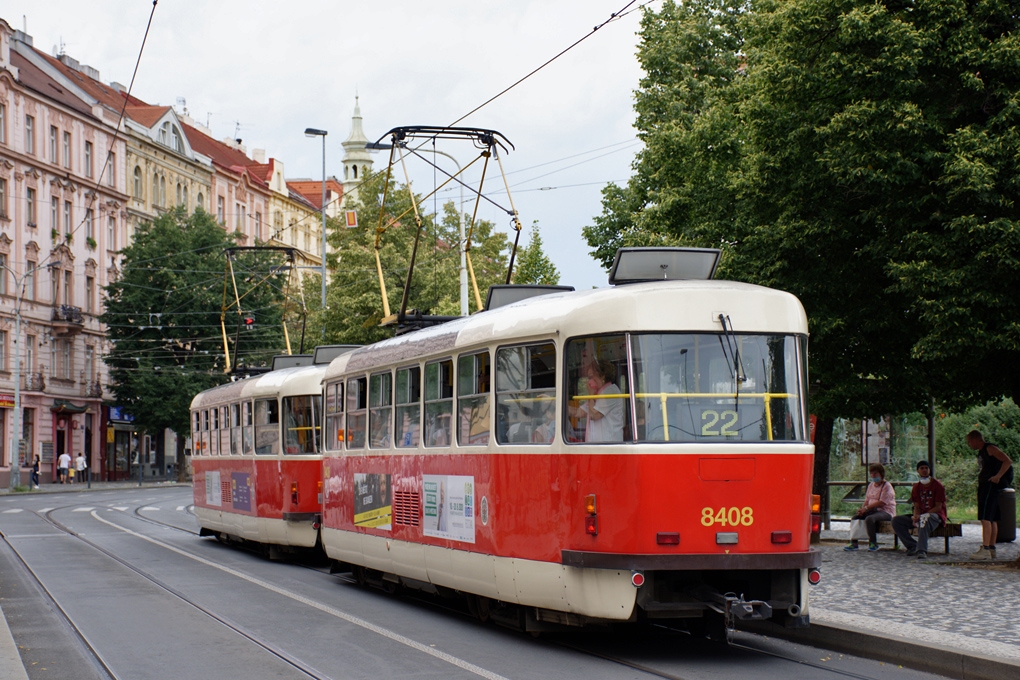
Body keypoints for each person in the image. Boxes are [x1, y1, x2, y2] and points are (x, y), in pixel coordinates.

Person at [966, 430, 1014, 560]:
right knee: (992, 518)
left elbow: (1007, 461)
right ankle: (991, 548)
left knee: (985, 517)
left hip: (990, 486)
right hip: (987, 485)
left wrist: (997, 476)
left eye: (969, 441)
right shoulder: (982, 452)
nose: (969, 444)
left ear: (976, 439)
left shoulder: (990, 448)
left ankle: (985, 548)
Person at [891, 461, 947, 559]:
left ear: (929, 470)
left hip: (935, 516)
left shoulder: (938, 486)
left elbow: (938, 507)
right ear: (918, 471)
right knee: (896, 521)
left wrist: (923, 515)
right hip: (921, 514)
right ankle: (912, 545)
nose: (924, 470)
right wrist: (916, 515)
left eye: (926, 468)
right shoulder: (916, 487)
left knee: (924, 519)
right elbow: (916, 505)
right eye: (922, 468)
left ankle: (922, 550)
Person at [844, 463, 897, 552]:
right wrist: (862, 509)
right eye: (872, 474)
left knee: (870, 519)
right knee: (855, 518)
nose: (873, 476)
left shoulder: (887, 486)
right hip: (872, 510)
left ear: (881, 474)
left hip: (885, 511)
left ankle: (873, 542)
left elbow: (882, 502)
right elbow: (867, 499)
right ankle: (854, 542)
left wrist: (867, 508)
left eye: (875, 473)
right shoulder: (871, 485)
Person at [568, 359, 624, 442]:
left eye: (591, 377)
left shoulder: (611, 391)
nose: (588, 381)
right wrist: (556, 405)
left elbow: (594, 415)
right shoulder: (597, 395)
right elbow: (577, 412)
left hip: (609, 447)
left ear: (602, 376)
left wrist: (590, 395)